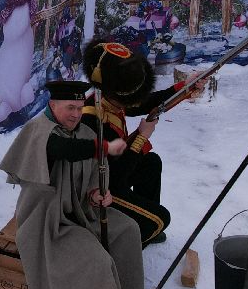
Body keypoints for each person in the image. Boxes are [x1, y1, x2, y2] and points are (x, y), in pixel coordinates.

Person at [0, 79, 146, 289]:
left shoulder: (85, 132)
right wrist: (103, 147)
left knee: (128, 229)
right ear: (53, 105)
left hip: (82, 210)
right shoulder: (39, 131)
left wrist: (98, 194)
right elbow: (63, 149)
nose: (76, 114)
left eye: (79, 108)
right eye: (70, 108)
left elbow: (93, 177)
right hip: (48, 220)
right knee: (91, 254)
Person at [81, 39, 189, 245]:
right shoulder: (92, 120)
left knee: (152, 162)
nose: (134, 101)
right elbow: (117, 177)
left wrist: (183, 87)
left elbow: (142, 102)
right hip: (101, 190)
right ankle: (129, 244)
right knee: (160, 220)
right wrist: (141, 137)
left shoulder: (105, 95)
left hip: (114, 173)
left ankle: (139, 219)